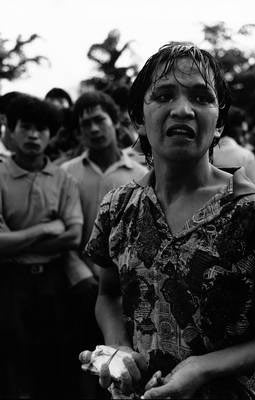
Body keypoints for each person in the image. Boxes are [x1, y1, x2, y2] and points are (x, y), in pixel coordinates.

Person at [80, 43, 255, 400]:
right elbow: (107, 294)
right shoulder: (118, 207)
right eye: (165, 95)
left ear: (219, 124)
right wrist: (118, 347)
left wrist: (205, 366)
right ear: (138, 117)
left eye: (201, 98)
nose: (182, 109)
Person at [61, 90, 147, 398]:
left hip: (128, 292)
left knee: (126, 371)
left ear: (115, 122)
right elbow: (65, 233)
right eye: (86, 125)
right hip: (81, 286)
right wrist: (85, 276)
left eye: (100, 120)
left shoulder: (141, 174)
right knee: (86, 369)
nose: (94, 129)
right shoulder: (66, 173)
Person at [0, 94, 83, 399]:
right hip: (10, 283)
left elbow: (73, 236)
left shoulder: (63, 179)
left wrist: (17, 240)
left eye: (42, 129)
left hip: (54, 280)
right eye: (26, 127)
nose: (34, 135)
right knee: (14, 367)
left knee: (56, 363)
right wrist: (47, 228)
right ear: (11, 128)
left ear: (52, 134)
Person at [213, 105, 255, 188]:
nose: (246, 137)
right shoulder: (246, 156)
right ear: (238, 129)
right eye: (244, 133)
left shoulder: (204, 153)